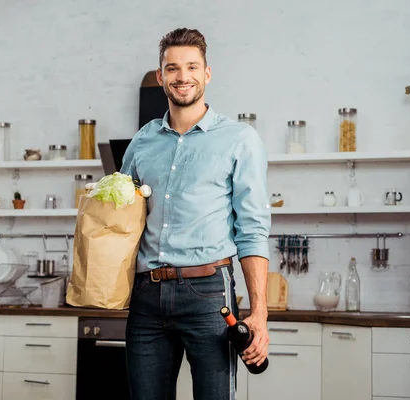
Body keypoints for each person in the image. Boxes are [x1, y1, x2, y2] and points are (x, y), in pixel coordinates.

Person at [120, 27, 271, 400]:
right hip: (147, 296)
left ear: (206, 73)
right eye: (172, 68)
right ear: (161, 77)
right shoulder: (142, 141)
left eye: (191, 67)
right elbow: (120, 220)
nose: (182, 76)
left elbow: (252, 230)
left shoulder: (239, 139)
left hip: (209, 295)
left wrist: (259, 313)